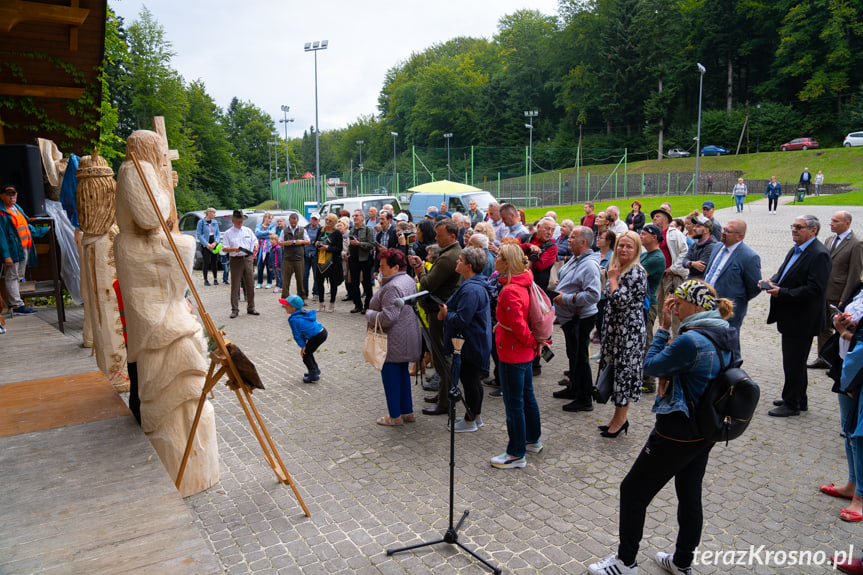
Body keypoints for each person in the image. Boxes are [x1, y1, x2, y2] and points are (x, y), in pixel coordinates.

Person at [588, 280, 736, 575]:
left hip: (676, 429)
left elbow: (651, 367)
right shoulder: (725, 332)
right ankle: (682, 562)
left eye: (678, 302)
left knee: (633, 491)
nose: (673, 306)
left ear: (694, 304)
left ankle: (625, 561)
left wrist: (664, 329)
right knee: (690, 494)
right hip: (705, 428)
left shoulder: (690, 341)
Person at [764, 215, 831, 417]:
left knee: (793, 361)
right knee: (795, 361)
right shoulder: (796, 249)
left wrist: (782, 292)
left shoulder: (819, 254)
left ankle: (791, 404)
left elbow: (815, 289)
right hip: (791, 316)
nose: (794, 230)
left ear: (813, 230)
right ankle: (798, 399)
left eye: (799, 227)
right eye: (793, 226)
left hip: (803, 318)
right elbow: (783, 273)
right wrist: (772, 281)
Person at [490, 243, 543, 469]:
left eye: (499, 256)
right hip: (521, 353)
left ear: (507, 263)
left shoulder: (510, 290)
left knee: (514, 404)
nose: (495, 258)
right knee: (527, 397)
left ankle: (516, 452)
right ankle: (532, 440)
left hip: (513, 353)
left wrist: (532, 344)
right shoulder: (525, 279)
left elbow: (520, 327)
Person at [597, 231, 648, 438]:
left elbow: (619, 300)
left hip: (629, 333)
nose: (623, 250)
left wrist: (612, 279)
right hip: (615, 331)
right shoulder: (619, 268)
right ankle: (616, 418)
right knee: (616, 373)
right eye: (621, 245)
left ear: (636, 250)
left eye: (629, 247)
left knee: (624, 375)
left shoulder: (636, 272)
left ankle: (621, 420)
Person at [409, 219, 462, 415]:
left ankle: (444, 401)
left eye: (440, 235)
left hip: (439, 310)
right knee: (440, 354)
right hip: (438, 308)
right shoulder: (449, 253)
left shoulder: (448, 257)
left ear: (452, 236)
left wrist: (420, 271)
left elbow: (428, 284)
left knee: (441, 356)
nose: (436, 238)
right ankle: (442, 395)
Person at [437, 247, 492, 432]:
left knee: (469, 381)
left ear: (468, 266)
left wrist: (446, 314)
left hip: (470, 343)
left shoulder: (472, 289)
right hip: (475, 341)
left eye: (460, 260)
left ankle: (470, 421)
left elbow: (462, 319)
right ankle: (475, 416)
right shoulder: (474, 285)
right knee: (473, 380)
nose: (456, 262)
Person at [365, 249, 422, 425]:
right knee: (402, 374)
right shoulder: (406, 279)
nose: (380, 270)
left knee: (390, 377)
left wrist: (370, 314)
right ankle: (407, 411)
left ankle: (395, 416)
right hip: (407, 335)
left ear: (395, 267)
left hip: (393, 339)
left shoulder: (392, 287)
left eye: (383, 266)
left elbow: (388, 317)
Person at [552, 226, 601, 412]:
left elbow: (593, 295)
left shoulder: (589, 264)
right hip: (570, 318)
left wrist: (565, 298)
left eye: (572, 237)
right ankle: (574, 387)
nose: (568, 240)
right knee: (573, 355)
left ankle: (585, 398)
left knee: (581, 359)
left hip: (580, 318)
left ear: (583, 242)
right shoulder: (576, 258)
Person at [703, 219, 762, 359]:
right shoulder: (717, 247)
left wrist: (737, 299)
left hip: (729, 310)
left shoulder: (749, 257)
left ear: (739, 236)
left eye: (728, 231)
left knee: (729, 345)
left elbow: (754, 287)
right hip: (707, 304)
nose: (723, 232)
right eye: (724, 229)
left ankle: (733, 373)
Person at [812, 211, 863, 368]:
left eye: (836, 221)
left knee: (840, 327)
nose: (831, 223)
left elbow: (855, 273)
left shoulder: (856, 243)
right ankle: (823, 358)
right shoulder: (829, 240)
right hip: (825, 291)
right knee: (823, 327)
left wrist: (846, 297)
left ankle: (838, 360)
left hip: (839, 292)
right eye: (831, 220)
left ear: (847, 223)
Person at [0, 184, 49, 315]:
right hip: (12, 249)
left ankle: (18, 304)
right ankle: (16, 305)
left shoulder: (17, 208)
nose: (11, 197)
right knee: (12, 276)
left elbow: (26, 227)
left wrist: (43, 230)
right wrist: (6, 255)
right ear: (2, 196)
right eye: (8, 195)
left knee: (19, 275)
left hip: (24, 247)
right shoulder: (2, 212)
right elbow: (1, 237)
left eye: (13, 194)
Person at [651, 207, 689, 335]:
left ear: (666, 219)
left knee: (673, 306)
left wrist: (673, 268)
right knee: (661, 307)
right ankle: (664, 333)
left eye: (658, 216)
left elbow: (684, 252)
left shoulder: (674, 233)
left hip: (671, 276)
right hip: (657, 277)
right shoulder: (653, 234)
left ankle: (676, 335)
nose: (654, 218)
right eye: (654, 217)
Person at [639, 224, 666, 393]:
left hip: (649, 303)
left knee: (646, 341)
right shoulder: (646, 255)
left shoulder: (656, 258)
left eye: (643, 234)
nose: (640, 236)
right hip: (643, 302)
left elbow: (636, 274)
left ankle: (648, 382)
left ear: (654, 237)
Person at [281, 295, 328, 383]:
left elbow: (297, 335)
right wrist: (304, 346)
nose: (284, 307)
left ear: (293, 308)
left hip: (317, 336)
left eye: (286, 306)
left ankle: (313, 375)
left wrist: (303, 346)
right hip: (322, 331)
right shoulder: (302, 312)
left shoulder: (293, 320)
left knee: (305, 355)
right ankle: (315, 370)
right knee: (309, 352)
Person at [222, 210, 259, 318]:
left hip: (247, 258)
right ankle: (234, 309)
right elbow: (224, 248)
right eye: (238, 220)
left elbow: (255, 240)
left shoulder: (248, 231)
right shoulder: (228, 233)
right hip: (235, 260)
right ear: (233, 220)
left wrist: (256, 245)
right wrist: (235, 249)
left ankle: (251, 307)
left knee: (250, 284)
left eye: (242, 220)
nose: (240, 222)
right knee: (235, 285)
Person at [274, 212, 308, 300]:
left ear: (297, 221)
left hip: (299, 258)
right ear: (289, 221)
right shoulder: (284, 231)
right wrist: (286, 243)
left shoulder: (302, 230)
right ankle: (285, 298)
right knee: (286, 280)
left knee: (300, 280)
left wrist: (301, 242)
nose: (293, 224)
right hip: (287, 258)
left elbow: (308, 241)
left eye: (295, 223)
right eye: (292, 222)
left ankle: (301, 298)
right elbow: (279, 243)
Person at [347, 210, 375, 314]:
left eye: (357, 216)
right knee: (354, 284)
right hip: (353, 260)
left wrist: (359, 243)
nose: (354, 217)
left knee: (366, 283)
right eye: (353, 216)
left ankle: (368, 305)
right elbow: (350, 244)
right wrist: (349, 253)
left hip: (365, 259)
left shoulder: (368, 229)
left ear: (362, 217)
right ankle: (358, 305)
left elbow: (371, 245)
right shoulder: (352, 229)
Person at [682, 216, 717, 280]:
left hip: (702, 283)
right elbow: (684, 261)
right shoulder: (694, 245)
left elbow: (700, 268)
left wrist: (689, 264)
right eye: (695, 226)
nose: (694, 228)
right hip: (692, 281)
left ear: (706, 230)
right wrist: (692, 264)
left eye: (698, 226)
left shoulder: (712, 246)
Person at [196, 207, 221, 286]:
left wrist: (215, 242)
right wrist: (206, 244)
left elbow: (217, 233)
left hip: (213, 241)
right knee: (206, 261)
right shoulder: (201, 222)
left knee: (214, 261)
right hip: (205, 243)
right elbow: (199, 234)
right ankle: (205, 279)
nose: (214, 215)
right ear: (209, 213)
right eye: (213, 213)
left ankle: (215, 278)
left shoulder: (215, 222)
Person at [254, 212, 277, 289]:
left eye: (271, 219)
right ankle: (259, 282)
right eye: (269, 218)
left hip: (269, 249)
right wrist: (267, 232)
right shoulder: (258, 225)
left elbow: (273, 235)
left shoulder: (272, 226)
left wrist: (262, 235)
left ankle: (269, 282)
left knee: (269, 266)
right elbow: (257, 233)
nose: (270, 220)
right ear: (265, 218)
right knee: (260, 266)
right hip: (260, 249)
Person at [303, 212, 321, 298]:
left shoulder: (321, 229)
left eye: (315, 219)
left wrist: (316, 243)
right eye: (312, 219)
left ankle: (316, 293)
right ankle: (304, 293)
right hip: (306, 254)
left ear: (319, 220)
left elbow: (323, 240)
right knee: (304, 274)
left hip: (315, 254)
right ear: (310, 219)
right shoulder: (305, 228)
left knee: (316, 275)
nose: (313, 221)